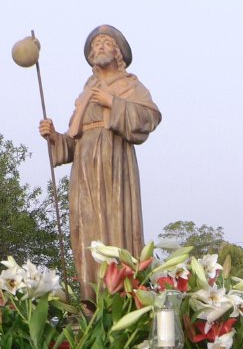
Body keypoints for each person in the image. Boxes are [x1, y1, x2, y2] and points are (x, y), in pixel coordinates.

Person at [39, 25, 162, 299]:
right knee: (87, 227)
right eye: (95, 45)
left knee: (115, 225)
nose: (100, 47)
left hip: (115, 163)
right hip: (84, 167)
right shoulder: (86, 92)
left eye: (106, 43)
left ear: (118, 51)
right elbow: (74, 139)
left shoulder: (130, 85)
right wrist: (54, 137)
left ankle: (120, 295)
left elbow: (149, 117)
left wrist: (113, 102)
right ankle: (90, 298)